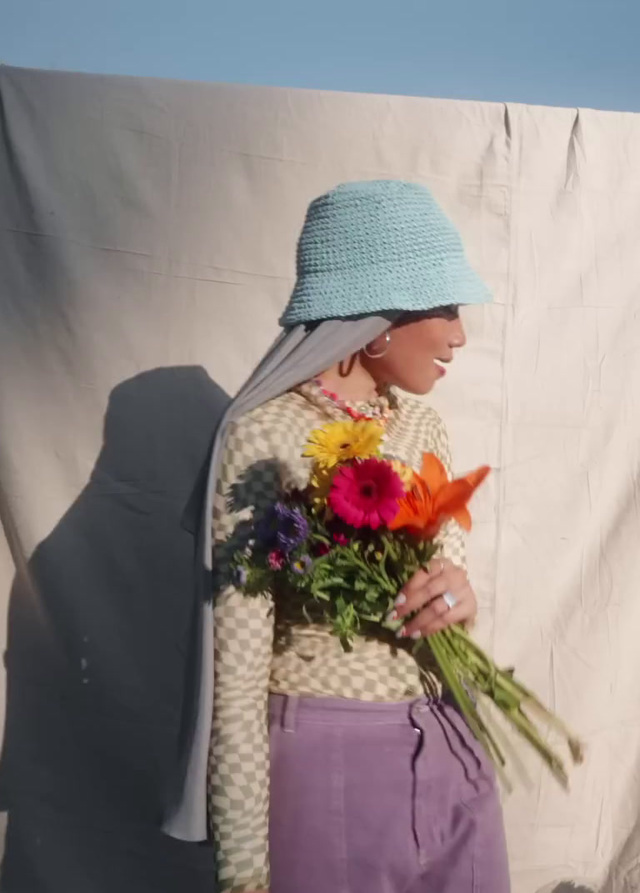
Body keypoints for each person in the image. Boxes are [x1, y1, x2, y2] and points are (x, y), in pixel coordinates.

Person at [206, 180, 510, 893]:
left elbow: (448, 588)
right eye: (444, 307)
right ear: (377, 321)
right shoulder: (264, 437)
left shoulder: (424, 427)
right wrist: (243, 870)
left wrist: (458, 597)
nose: (460, 333)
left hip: (449, 739)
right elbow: (238, 675)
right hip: (328, 764)